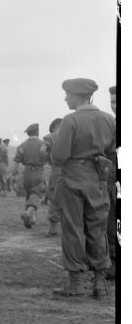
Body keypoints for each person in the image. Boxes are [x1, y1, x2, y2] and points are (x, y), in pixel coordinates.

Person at [51, 78, 115, 297]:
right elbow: (115, 151)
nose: (66, 98)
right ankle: (99, 283)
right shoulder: (109, 119)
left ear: (78, 96)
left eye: (68, 94)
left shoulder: (70, 120)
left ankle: (76, 283)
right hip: (98, 179)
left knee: (73, 229)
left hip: (72, 179)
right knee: (98, 229)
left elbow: (59, 156)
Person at [12, 123, 46, 228]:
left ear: (28, 134)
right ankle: (29, 212)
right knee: (37, 194)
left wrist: (14, 175)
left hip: (26, 172)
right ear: (38, 132)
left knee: (29, 194)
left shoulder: (22, 145)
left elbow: (16, 162)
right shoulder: (42, 144)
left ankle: (32, 218)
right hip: (38, 171)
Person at [41, 118, 63, 237]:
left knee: (55, 197)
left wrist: (48, 159)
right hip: (74, 170)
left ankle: (53, 228)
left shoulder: (51, 136)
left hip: (57, 170)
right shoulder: (73, 133)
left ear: (54, 127)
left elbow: (42, 150)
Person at [105, 85, 118, 281]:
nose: (115, 105)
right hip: (112, 181)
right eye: (112, 102)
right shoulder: (112, 125)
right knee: (112, 223)